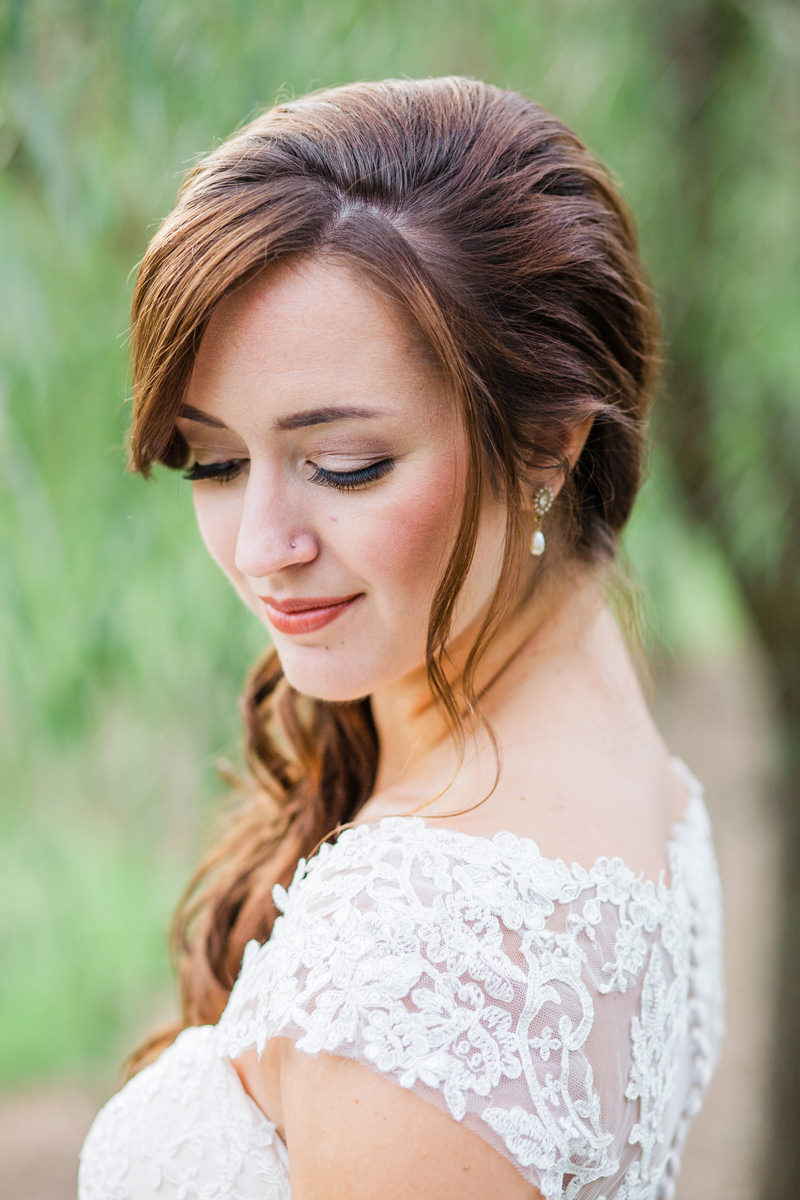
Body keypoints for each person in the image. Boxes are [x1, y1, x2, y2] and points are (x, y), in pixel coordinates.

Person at [78, 77, 724, 1200]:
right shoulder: (619, 764)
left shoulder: (426, 951)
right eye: (213, 461)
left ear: (547, 444)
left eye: (342, 466)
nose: (260, 545)